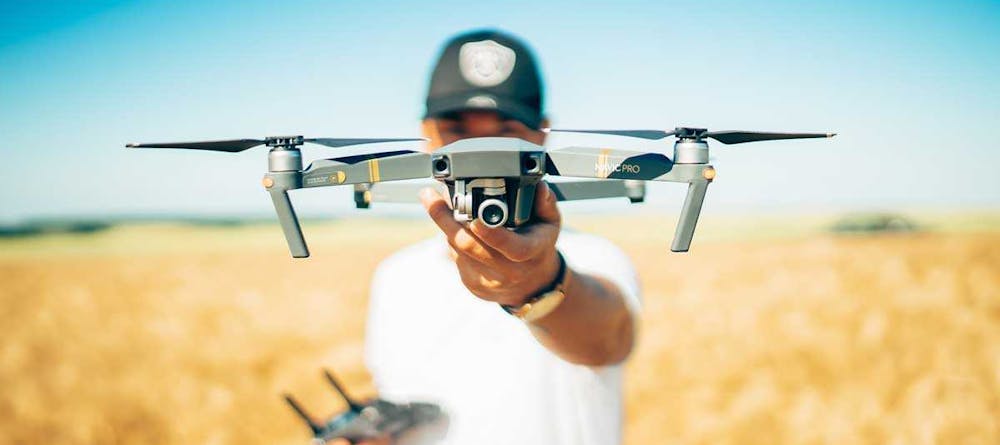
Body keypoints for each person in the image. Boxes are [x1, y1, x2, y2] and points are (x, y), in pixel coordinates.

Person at [335, 29, 641, 445]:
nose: (479, 154)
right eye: (458, 133)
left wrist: (542, 283)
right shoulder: (395, 277)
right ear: (427, 133)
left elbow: (606, 339)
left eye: (504, 133)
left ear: (542, 135)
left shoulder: (597, 258)